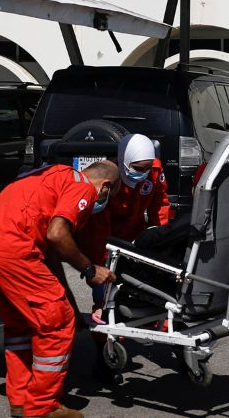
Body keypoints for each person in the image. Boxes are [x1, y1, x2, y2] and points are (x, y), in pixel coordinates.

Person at [0, 160, 120, 418]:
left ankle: (21, 402)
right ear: (105, 187)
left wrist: (68, 299)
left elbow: (51, 256)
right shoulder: (82, 187)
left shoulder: (51, 176)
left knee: (21, 324)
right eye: (109, 197)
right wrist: (90, 269)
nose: (101, 204)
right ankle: (43, 407)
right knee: (57, 325)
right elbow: (57, 235)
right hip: (12, 251)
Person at [75, 134, 171, 382]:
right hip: (106, 243)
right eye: (138, 169)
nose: (143, 173)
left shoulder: (153, 171)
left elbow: (160, 205)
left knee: (143, 296)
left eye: (146, 168)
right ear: (123, 161)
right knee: (105, 303)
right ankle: (103, 359)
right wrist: (98, 268)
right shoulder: (109, 182)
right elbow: (98, 231)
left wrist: (163, 241)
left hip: (135, 240)